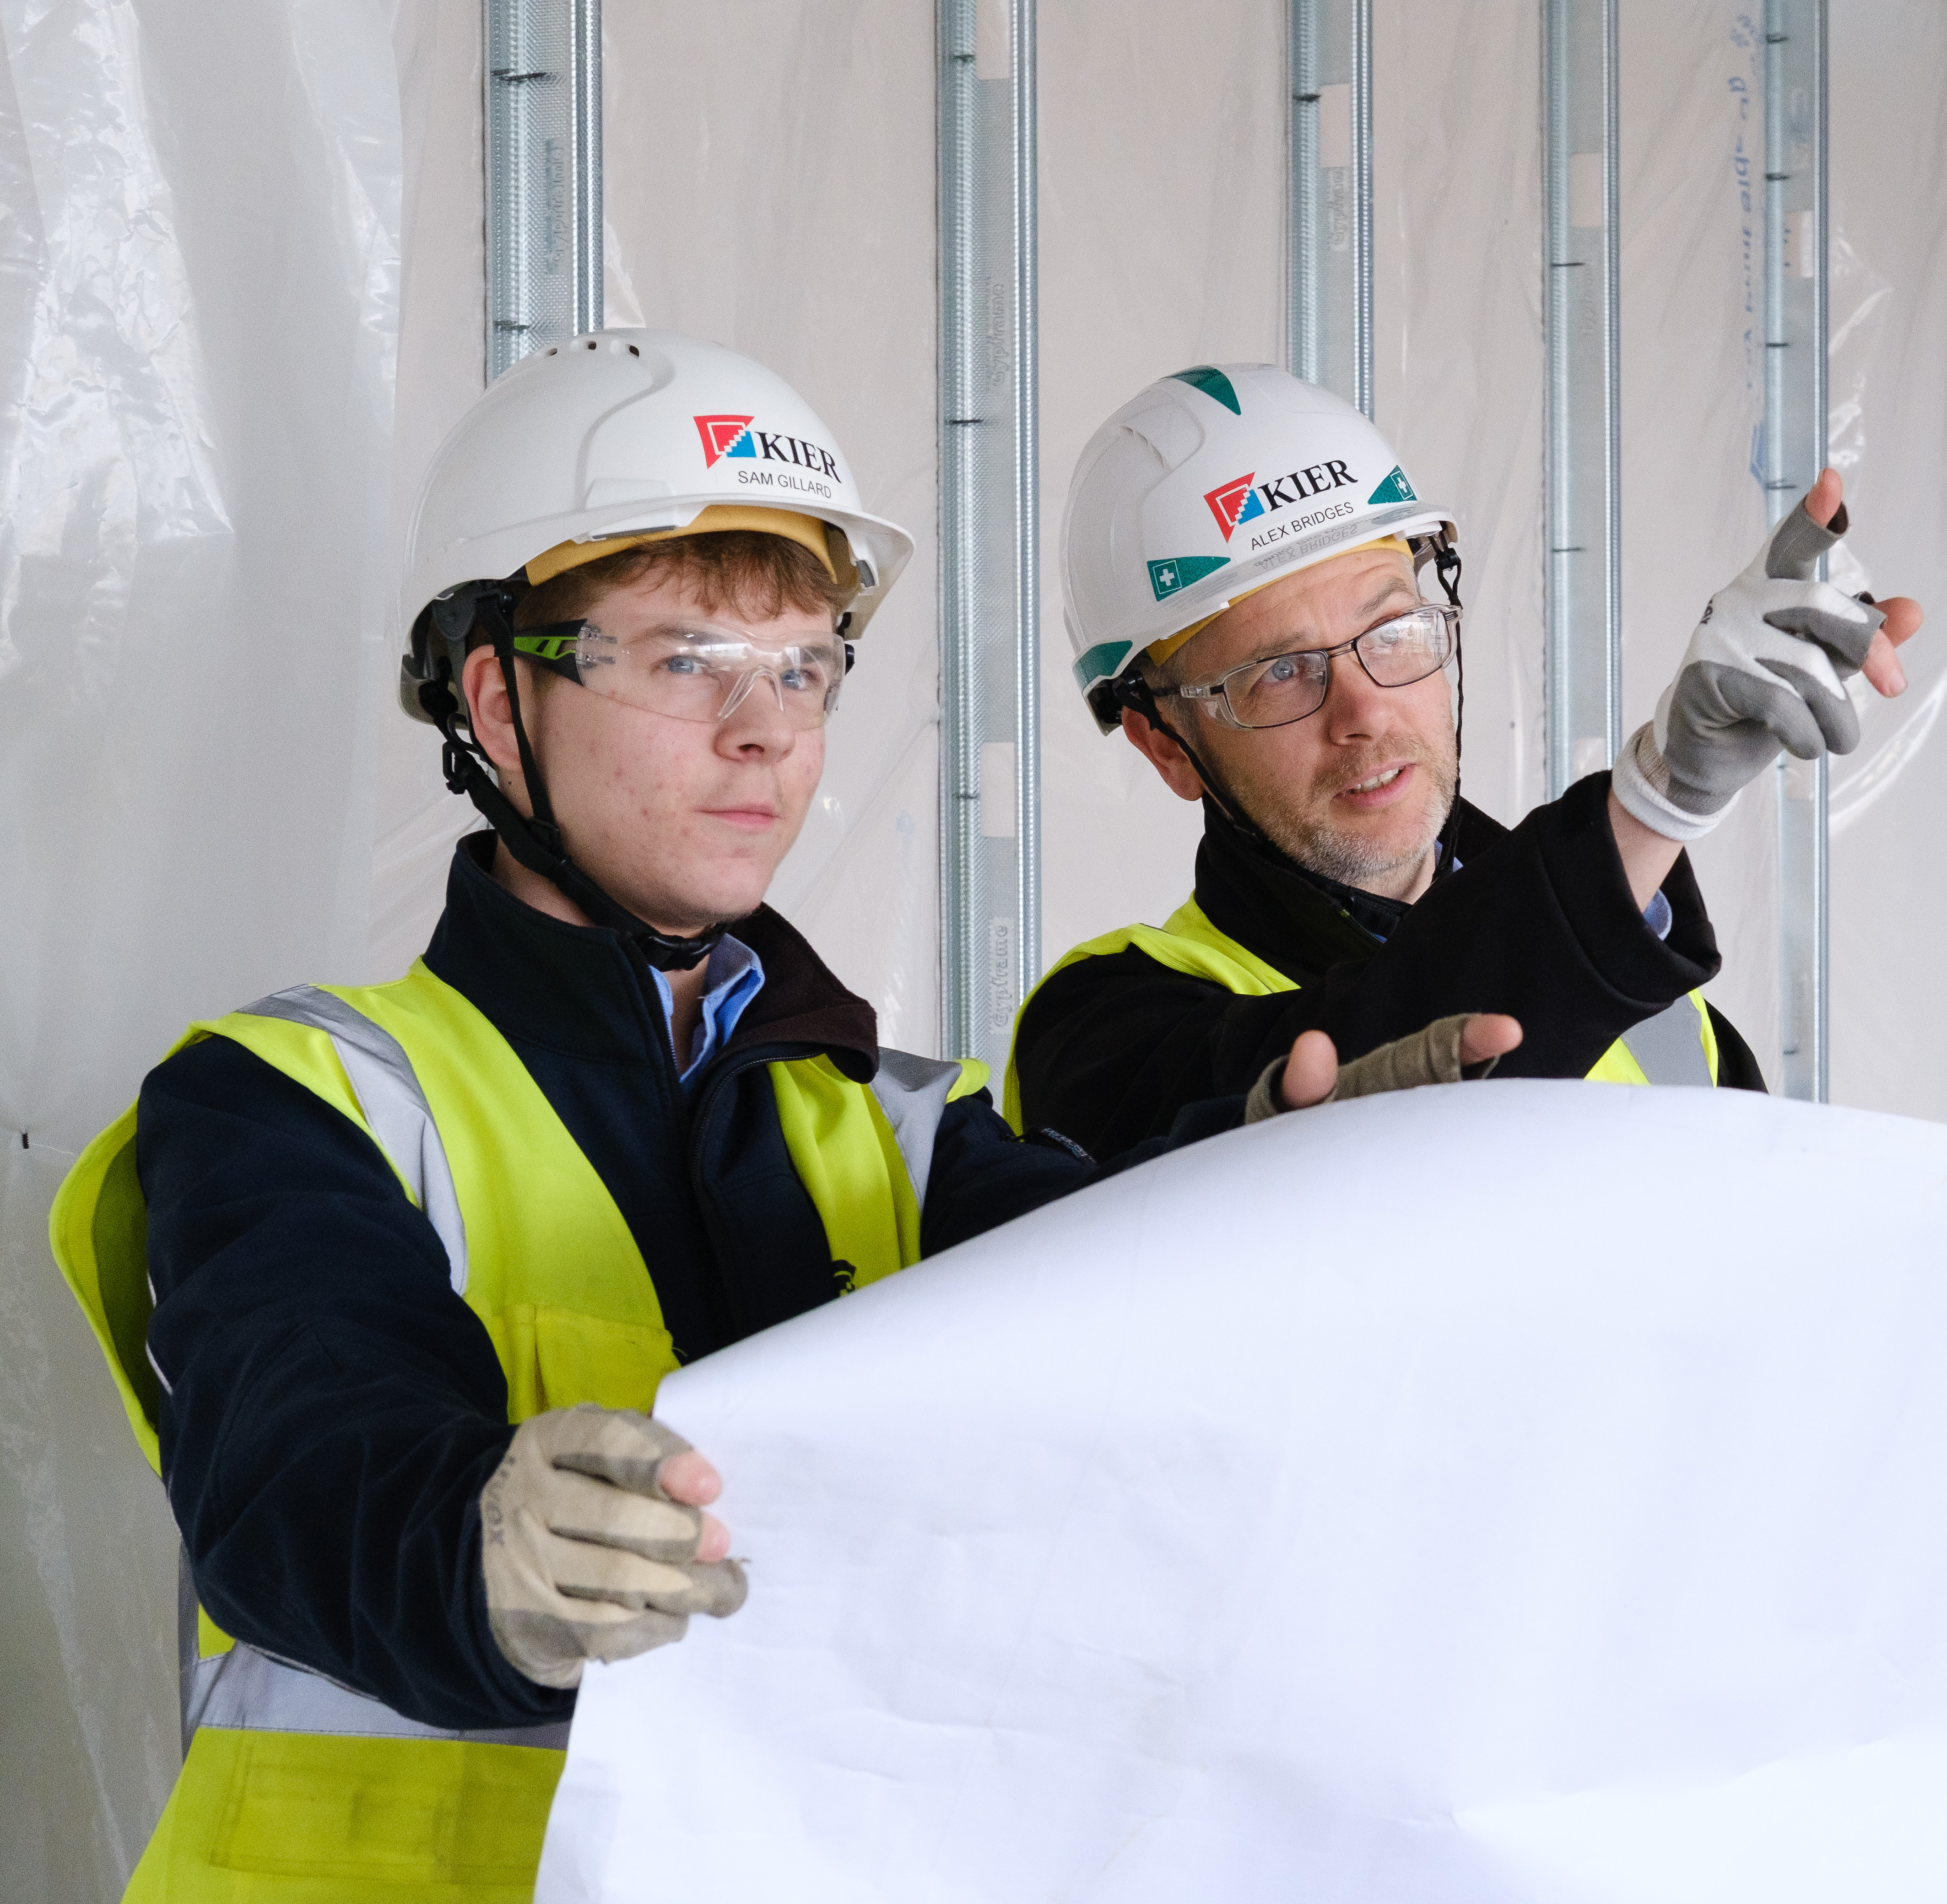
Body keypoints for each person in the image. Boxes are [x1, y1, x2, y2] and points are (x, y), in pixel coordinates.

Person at [49, 331, 1500, 1901]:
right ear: (493, 696)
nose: (767, 733)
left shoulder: (904, 1135)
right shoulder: (296, 1100)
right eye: (685, 662)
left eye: (802, 668)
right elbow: (296, 1472)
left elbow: (1128, 1316)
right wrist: (472, 1550)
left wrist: (1315, 1182)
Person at [1006, 362, 1922, 1157]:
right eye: (1279, 672)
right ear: (1166, 743)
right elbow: (1373, 1040)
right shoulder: (1099, 1035)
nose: (1365, 712)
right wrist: (1653, 803)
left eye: (1392, 628)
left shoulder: (1662, 1005)